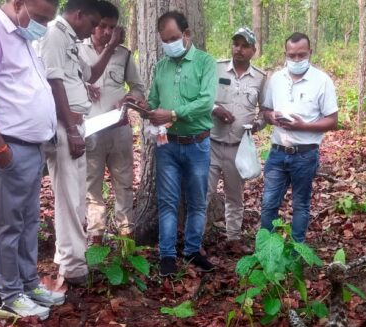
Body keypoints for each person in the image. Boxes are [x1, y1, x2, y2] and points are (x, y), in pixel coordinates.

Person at [0, 0, 63, 320]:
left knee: (28, 220)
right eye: (40, 17)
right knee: (8, 224)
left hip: (29, 148)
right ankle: (10, 294)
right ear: (18, 3)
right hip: (6, 147)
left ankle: (28, 284)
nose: (43, 26)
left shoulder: (22, 36)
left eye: (48, 20)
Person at [37, 0, 120, 286]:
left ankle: (67, 256)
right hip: (65, 126)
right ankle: (73, 267)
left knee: (76, 195)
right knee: (69, 197)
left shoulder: (70, 39)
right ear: (78, 14)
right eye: (94, 23)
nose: (95, 29)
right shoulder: (54, 34)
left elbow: (90, 74)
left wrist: (110, 47)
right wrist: (72, 130)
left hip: (77, 125)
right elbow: (54, 82)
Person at [138, 10, 217, 276]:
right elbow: (153, 100)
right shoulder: (161, 66)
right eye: (165, 40)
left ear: (186, 34)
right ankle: (167, 256)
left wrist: (172, 114)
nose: (169, 44)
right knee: (167, 201)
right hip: (167, 145)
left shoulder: (205, 62)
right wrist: (143, 107)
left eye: (173, 38)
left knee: (197, 201)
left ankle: (193, 250)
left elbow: (206, 102)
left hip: (197, 143)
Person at [260, 32, 338, 243]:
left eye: (301, 55)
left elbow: (333, 121)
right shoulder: (276, 79)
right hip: (277, 152)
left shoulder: (322, 81)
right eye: (292, 55)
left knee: (300, 204)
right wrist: (271, 116)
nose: (296, 60)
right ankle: (266, 250)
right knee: (268, 204)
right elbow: (265, 110)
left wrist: (303, 126)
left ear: (310, 52)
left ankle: (297, 250)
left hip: (305, 154)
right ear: (285, 54)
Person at [79, 1, 145, 243]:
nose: (107, 32)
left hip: (119, 130)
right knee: (91, 186)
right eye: (102, 26)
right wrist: (84, 85)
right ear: (93, 24)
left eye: (112, 27)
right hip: (89, 131)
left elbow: (138, 87)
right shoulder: (78, 50)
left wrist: (129, 98)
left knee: (124, 183)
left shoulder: (123, 55)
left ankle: (126, 238)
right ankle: (96, 237)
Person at [207, 27, 266, 256]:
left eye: (244, 46)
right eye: (236, 44)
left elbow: (265, 111)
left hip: (238, 147)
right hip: (212, 143)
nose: (238, 49)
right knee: (203, 195)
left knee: (235, 196)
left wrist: (257, 125)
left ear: (253, 50)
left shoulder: (260, 78)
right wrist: (216, 109)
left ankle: (233, 238)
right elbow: (203, 97)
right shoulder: (217, 68)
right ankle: (195, 242)